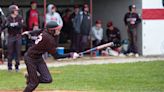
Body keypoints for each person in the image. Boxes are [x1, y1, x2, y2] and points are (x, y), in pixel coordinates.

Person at [22, 21, 79, 92]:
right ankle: (32, 80)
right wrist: (70, 54)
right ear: (51, 30)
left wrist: (30, 32)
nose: (59, 31)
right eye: (57, 29)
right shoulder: (49, 40)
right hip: (30, 58)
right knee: (33, 83)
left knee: (48, 79)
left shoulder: (46, 31)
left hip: (38, 58)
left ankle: (30, 78)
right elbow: (57, 56)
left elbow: (39, 30)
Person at [4, 5, 24, 71]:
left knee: (18, 52)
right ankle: (9, 67)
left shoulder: (19, 17)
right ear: (12, 11)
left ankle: (17, 66)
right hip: (11, 36)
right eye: (16, 10)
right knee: (10, 52)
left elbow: (21, 25)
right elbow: (5, 26)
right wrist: (9, 24)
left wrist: (14, 24)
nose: (17, 11)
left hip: (18, 36)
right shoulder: (8, 18)